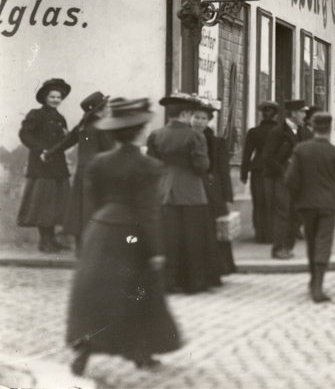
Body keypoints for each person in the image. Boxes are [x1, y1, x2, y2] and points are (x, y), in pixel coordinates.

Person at [66, 98, 181, 377]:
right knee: (138, 293)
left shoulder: (99, 162)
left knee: (98, 293)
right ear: (140, 130)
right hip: (132, 236)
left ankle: (84, 352)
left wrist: (93, 233)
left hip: (101, 232)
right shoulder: (148, 166)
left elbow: (93, 203)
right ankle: (140, 351)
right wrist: (155, 250)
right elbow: (147, 211)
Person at [145, 92, 219, 293]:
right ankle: (193, 281)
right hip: (191, 191)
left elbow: (152, 163)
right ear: (185, 113)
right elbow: (202, 165)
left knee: (168, 236)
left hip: (164, 190)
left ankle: (168, 281)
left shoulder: (156, 135)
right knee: (192, 237)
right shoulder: (195, 136)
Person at [286, 112, 335, 303]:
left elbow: (290, 180)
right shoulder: (334, 152)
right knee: (323, 242)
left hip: (306, 205)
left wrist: (297, 199)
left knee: (312, 242)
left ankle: (313, 281)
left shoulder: (301, 149)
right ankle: (318, 287)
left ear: (313, 128)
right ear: (329, 129)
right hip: (328, 205)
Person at [47, 91, 113, 255]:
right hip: (99, 174)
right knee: (97, 210)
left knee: (81, 211)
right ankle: (96, 250)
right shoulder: (103, 126)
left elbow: (66, 142)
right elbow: (110, 150)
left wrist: (48, 153)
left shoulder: (83, 126)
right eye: (106, 106)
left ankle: (81, 249)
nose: (109, 108)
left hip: (82, 173)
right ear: (99, 110)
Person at [18, 78, 74, 252]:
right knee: (43, 204)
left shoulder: (60, 118)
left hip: (58, 165)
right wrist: (40, 150)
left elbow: (65, 141)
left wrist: (66, 136)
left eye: (59, 97)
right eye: (52, 96)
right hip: (41, 165)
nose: (56, 99)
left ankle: (52, 239)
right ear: (45, 98)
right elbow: (24, 134)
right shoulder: (36, 115)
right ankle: (44, 241)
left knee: (57, 203)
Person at [263, 99, 312, 259]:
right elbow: (268, 156)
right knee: (283, 213)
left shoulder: (304, 132)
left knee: (296, 214)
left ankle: (288, 247)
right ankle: (278, 248)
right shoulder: (278, 131)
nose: (305, 115)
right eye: (302, 112)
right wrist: (283, 170)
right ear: (293, 113)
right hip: (283, 179)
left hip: (300, 180)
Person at [191, 103, 236, 279]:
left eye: (203, 119)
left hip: (213, 191)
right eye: (196, 117)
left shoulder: (217, 143)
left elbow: (224, 172)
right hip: (193, 190)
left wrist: (227, 197)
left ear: (209, 121)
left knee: (215, 229)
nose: (199, 122)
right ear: (190, 118)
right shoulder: (187, 139)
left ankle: (220, 266)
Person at [240, 103, 278, 242]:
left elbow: (247, 154)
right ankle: (271, 234)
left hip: (258, 169)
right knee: (273, 202)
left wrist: (243, 174)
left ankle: (260, 234)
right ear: (276, 114)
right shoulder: (281, 130)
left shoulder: (254, 132)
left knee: (259, 202)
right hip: (276, 170)